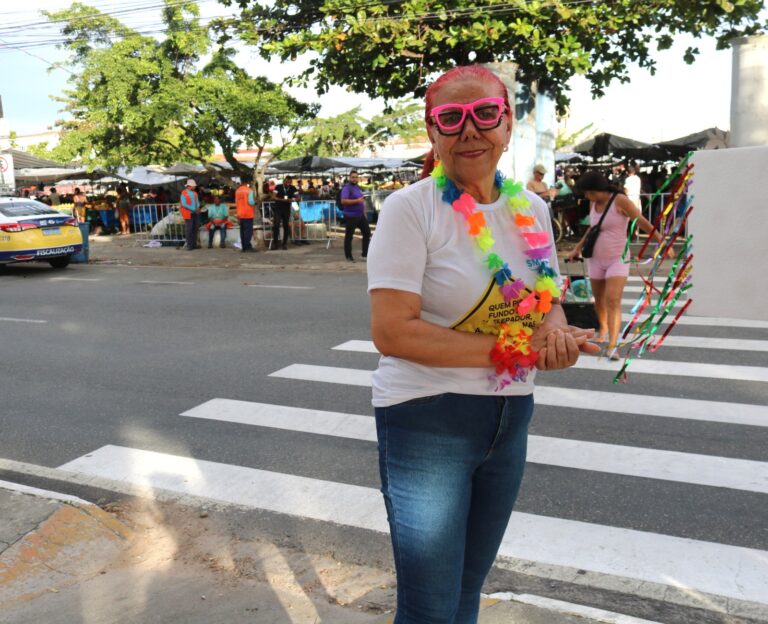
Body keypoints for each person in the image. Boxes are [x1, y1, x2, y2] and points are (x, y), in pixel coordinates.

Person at [366, 64, 598, 624]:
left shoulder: (532, 210)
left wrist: (557, 336)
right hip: (428, 419)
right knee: (429, 606)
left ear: (508, 124)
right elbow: (393, 331)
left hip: (511, 414)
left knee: (468, 587)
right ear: (433, 131)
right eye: (451, 118)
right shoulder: (411, 209)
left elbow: (546, 301)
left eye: (485, 114)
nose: (469, 129)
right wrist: (516, 351)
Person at [566, 171, 663, 358]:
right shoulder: (594, 203)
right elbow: (593, 228)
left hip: (617, 259)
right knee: (599, 299)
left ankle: (613, 345)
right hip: (595, 259)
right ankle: (603, 329)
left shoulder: (620, 200)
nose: (586, 196)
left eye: (588, 192)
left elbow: (640, 220)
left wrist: (660, 239)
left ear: (597, 189)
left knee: (613, 300)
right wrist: (577, 248)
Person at [340, 170, 371, 262]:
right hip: (351, 216)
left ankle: (365, 254)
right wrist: (357, 201)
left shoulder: (357, 188)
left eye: (356, 177)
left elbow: (361, 201)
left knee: (367, 233)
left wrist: (364, 213)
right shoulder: (347, 188)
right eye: (353, 177)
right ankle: (349, 256)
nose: (354, 179)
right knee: (349, 236)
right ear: (349, 178)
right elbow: (343, 201)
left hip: (360, 215)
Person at [271, 177, 298, 250]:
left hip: (286, 209)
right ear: (283, 181)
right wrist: (282, 200)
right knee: (276, 226)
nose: (288, 184)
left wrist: (292, 199)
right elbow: (273, 197)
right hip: (278, 209)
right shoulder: (278, 187)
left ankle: (284, 244)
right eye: (286, 182)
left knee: (286, 226)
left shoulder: (293, 188)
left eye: (289, 182)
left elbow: (298, 198)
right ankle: (275, 244)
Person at [235, 176, 257, 253]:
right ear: (247, 182)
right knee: (248, 231)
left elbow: (236, 202)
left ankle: (244, 247)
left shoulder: (237, 191)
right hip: (248, 213)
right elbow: (251, 202)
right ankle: (247, 247)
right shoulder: (249, 190)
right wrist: (255, 202)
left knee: (242, 231)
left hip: (240, 213)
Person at [179, 179, 200, 251]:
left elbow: (197, 202)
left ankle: (194, 244)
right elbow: (184, 204)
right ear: (189, 186)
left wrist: (198, 208)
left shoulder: (195, 193)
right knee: (189, 229)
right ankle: (189, 245)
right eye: (194, 186)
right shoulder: (183, 193)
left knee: (195, 228)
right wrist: (194, 209)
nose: (195, 187)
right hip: (188, 214)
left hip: (195, 213)